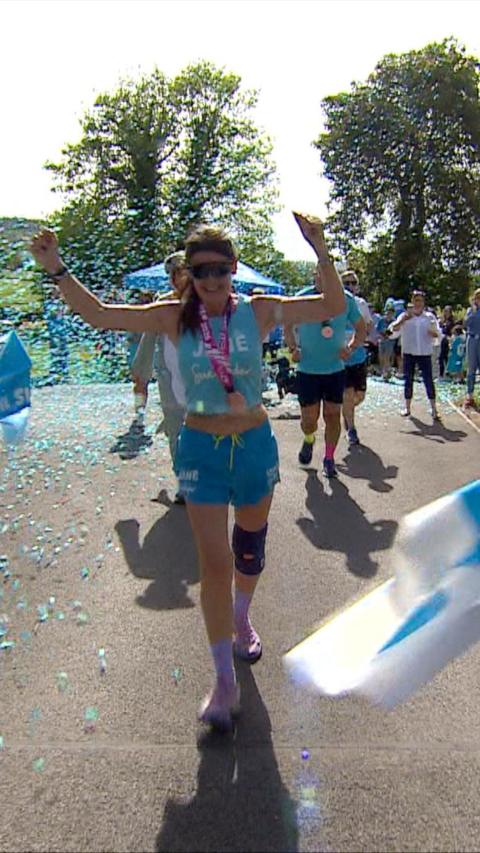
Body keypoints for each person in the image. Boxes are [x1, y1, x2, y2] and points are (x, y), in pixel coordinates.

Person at [29, 213, 345, 732]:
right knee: (213, 565)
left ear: (234, 269)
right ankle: (224, 680)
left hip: (254, 447)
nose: (213, 280)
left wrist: (321, 247)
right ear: (191, 275)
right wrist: (58, 268)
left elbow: (332, 305)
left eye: (222, 269)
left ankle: (242, 617)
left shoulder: (262, 312)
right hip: (199, 449)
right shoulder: (173, 318)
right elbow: (102, 315)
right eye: (203, 271)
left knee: (249, 552)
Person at [284, 268, 364, 476]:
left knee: (332, 415)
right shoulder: (302, 298)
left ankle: (329, 458)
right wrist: (293, 348)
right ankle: (309, 438)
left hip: (335, 370)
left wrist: (352, 347)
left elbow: (361, 327)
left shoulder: (346, 299)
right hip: (307, 370)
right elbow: (287, 325)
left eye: (329, 275)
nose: (325, 279)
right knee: (309, 420)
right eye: (321, 274)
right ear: (315, 276)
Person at [131, 253, 188, 503]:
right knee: (175, 429)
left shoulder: (207, 301)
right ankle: (184, 482)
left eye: (181, 272)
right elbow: (148, 338)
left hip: (202, 379)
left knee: (206, 428)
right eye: (172, 275)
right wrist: (141, 372)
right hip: (169, 376)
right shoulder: (162, 304)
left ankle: (209, 480)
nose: (176, 279)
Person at [390, 290, 441, 421]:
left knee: (428, 380)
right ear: (412, 302)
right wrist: (403, 321)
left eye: (420, 301)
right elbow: (392, 331)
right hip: (409, 353)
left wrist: (434, 334)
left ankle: (434, 408)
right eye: (415, 300)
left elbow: (438, 334)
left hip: (424, 353)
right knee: (408, 380)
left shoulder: (429, 317)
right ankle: (407, 407)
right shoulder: (405, 316)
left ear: (424, 303)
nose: (418, 303)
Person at [340, 270, 370, 447]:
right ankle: (351, 429)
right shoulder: (335, 304)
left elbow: (367, 326)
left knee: (360, 395)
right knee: (348, 394)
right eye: (346, 283)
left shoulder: (361, 304)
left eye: (353, 283)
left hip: (358, 356)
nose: (350, 286)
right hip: (342, 357)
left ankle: (347, 410)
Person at [124, 289, 154, 422]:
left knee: (142, 380)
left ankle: (140, 407)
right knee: (138, 379)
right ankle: (139, 406)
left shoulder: (153, 313)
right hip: (134, 346)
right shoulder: (133, 312)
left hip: (146, 347)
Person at [464, 288, 480, 409]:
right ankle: (469, 395)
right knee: (471, 368)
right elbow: (466, 324)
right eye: (477, 298)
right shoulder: (470, 310)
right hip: (472, 339)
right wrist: (473, 312)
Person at [376, 306, 396, 380]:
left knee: (387, 356)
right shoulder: (381, 320)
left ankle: (386, 372)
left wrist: (388, 334)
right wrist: (382, 334)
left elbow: (395, 331)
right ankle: (383, 371)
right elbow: (378, 329)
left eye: (391, 312)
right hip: (381, 340)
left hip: (390, 341)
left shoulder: (394, 321)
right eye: (388, 312)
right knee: (381, 356)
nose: (389, 314)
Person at [438, 305, 456, 379]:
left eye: (447, 311)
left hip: (448, 340)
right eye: (445, 311)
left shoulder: (452, 321)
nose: (446, 312)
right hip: (442, 340)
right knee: (441, 357)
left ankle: (449, 373)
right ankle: (442, 374)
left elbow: (452, 331)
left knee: (447, 357)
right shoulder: (443, 321)